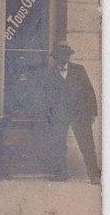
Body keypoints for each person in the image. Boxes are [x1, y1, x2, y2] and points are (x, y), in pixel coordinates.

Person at [42, 42, 101, 184]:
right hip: (59, 115)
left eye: (66, 54)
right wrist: (48, 113)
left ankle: (94, 175)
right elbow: (46, 96)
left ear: (69, 56)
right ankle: (61, 174)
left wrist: (92, 113)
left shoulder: (79, 70)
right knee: (58, 144)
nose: (63, 58)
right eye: (60, 55)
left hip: (79, 114)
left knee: (87, 145)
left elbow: (89, 91)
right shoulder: (49, 74)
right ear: (55, 57)